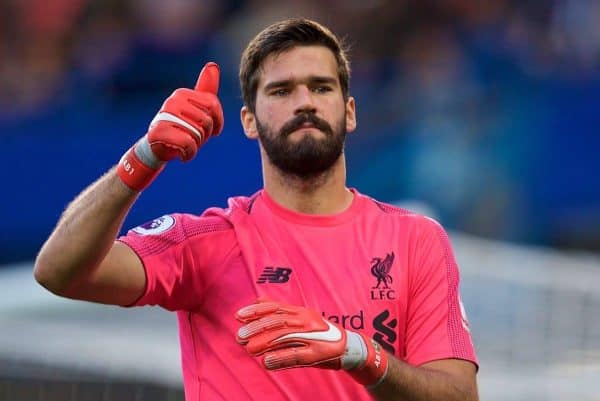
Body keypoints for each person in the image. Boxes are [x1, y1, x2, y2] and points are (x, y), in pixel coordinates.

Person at [34, 18, 479, 401]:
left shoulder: (415, 239)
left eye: (320, 87)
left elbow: (458, 394)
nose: (304, 101)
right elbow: (57, 270)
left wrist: (359, 353)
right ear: (249, 120)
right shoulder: (206, 243)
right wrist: (143, 158)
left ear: (349, 112)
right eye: (282, 90)